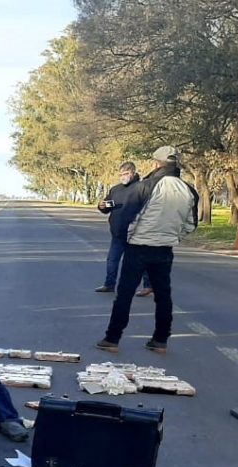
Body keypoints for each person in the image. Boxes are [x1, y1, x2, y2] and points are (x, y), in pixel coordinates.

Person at [96, 145, 199, 354]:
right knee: (163, 296)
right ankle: (160, 340)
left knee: (124, 294)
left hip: (138, 247)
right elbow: (191, 224)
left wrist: (130, 237)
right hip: (165, 249)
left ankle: (112, 339)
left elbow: (128, 218)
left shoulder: (145, 186)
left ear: (156, 163)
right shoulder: (189, 190)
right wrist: (172, 236)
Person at [95, 162, 150, 295]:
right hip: (118, 233)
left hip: (136, 232)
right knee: (112, 260)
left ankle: (148, 286)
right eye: (121, 175)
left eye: (125, 174)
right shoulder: (115, 189)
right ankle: (109, 284)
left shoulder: (142, 188)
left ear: (133, 173)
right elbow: (107, 208)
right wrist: (102, 206)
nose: (123, 177)